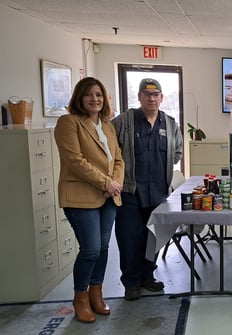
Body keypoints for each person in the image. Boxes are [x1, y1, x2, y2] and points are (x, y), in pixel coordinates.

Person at [54, 77, 124, 323]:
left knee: (103, 248)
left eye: (99, 95)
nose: (95, 99)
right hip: (80, 197)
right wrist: (106, 183)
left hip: (108, 197)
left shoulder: (108, 126)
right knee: (91, 249)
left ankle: (97, 293)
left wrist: (115, 184)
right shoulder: (69, 123)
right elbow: (75, 161)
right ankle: (80, 297)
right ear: (79, 98)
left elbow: (118, 160)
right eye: (89, 95)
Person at [112, 78, 183, 300]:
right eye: (146, 94)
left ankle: (147, 277)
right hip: (130, 192)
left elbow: (177, 152)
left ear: (161, 98)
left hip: (159, 193)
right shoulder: (123, 122)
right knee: (130, 238)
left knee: (152, 236)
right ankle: (131, 282)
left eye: (155, 95)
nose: (151, 99)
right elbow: (110, 154)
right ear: (139, 97)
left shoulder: (170, 124)